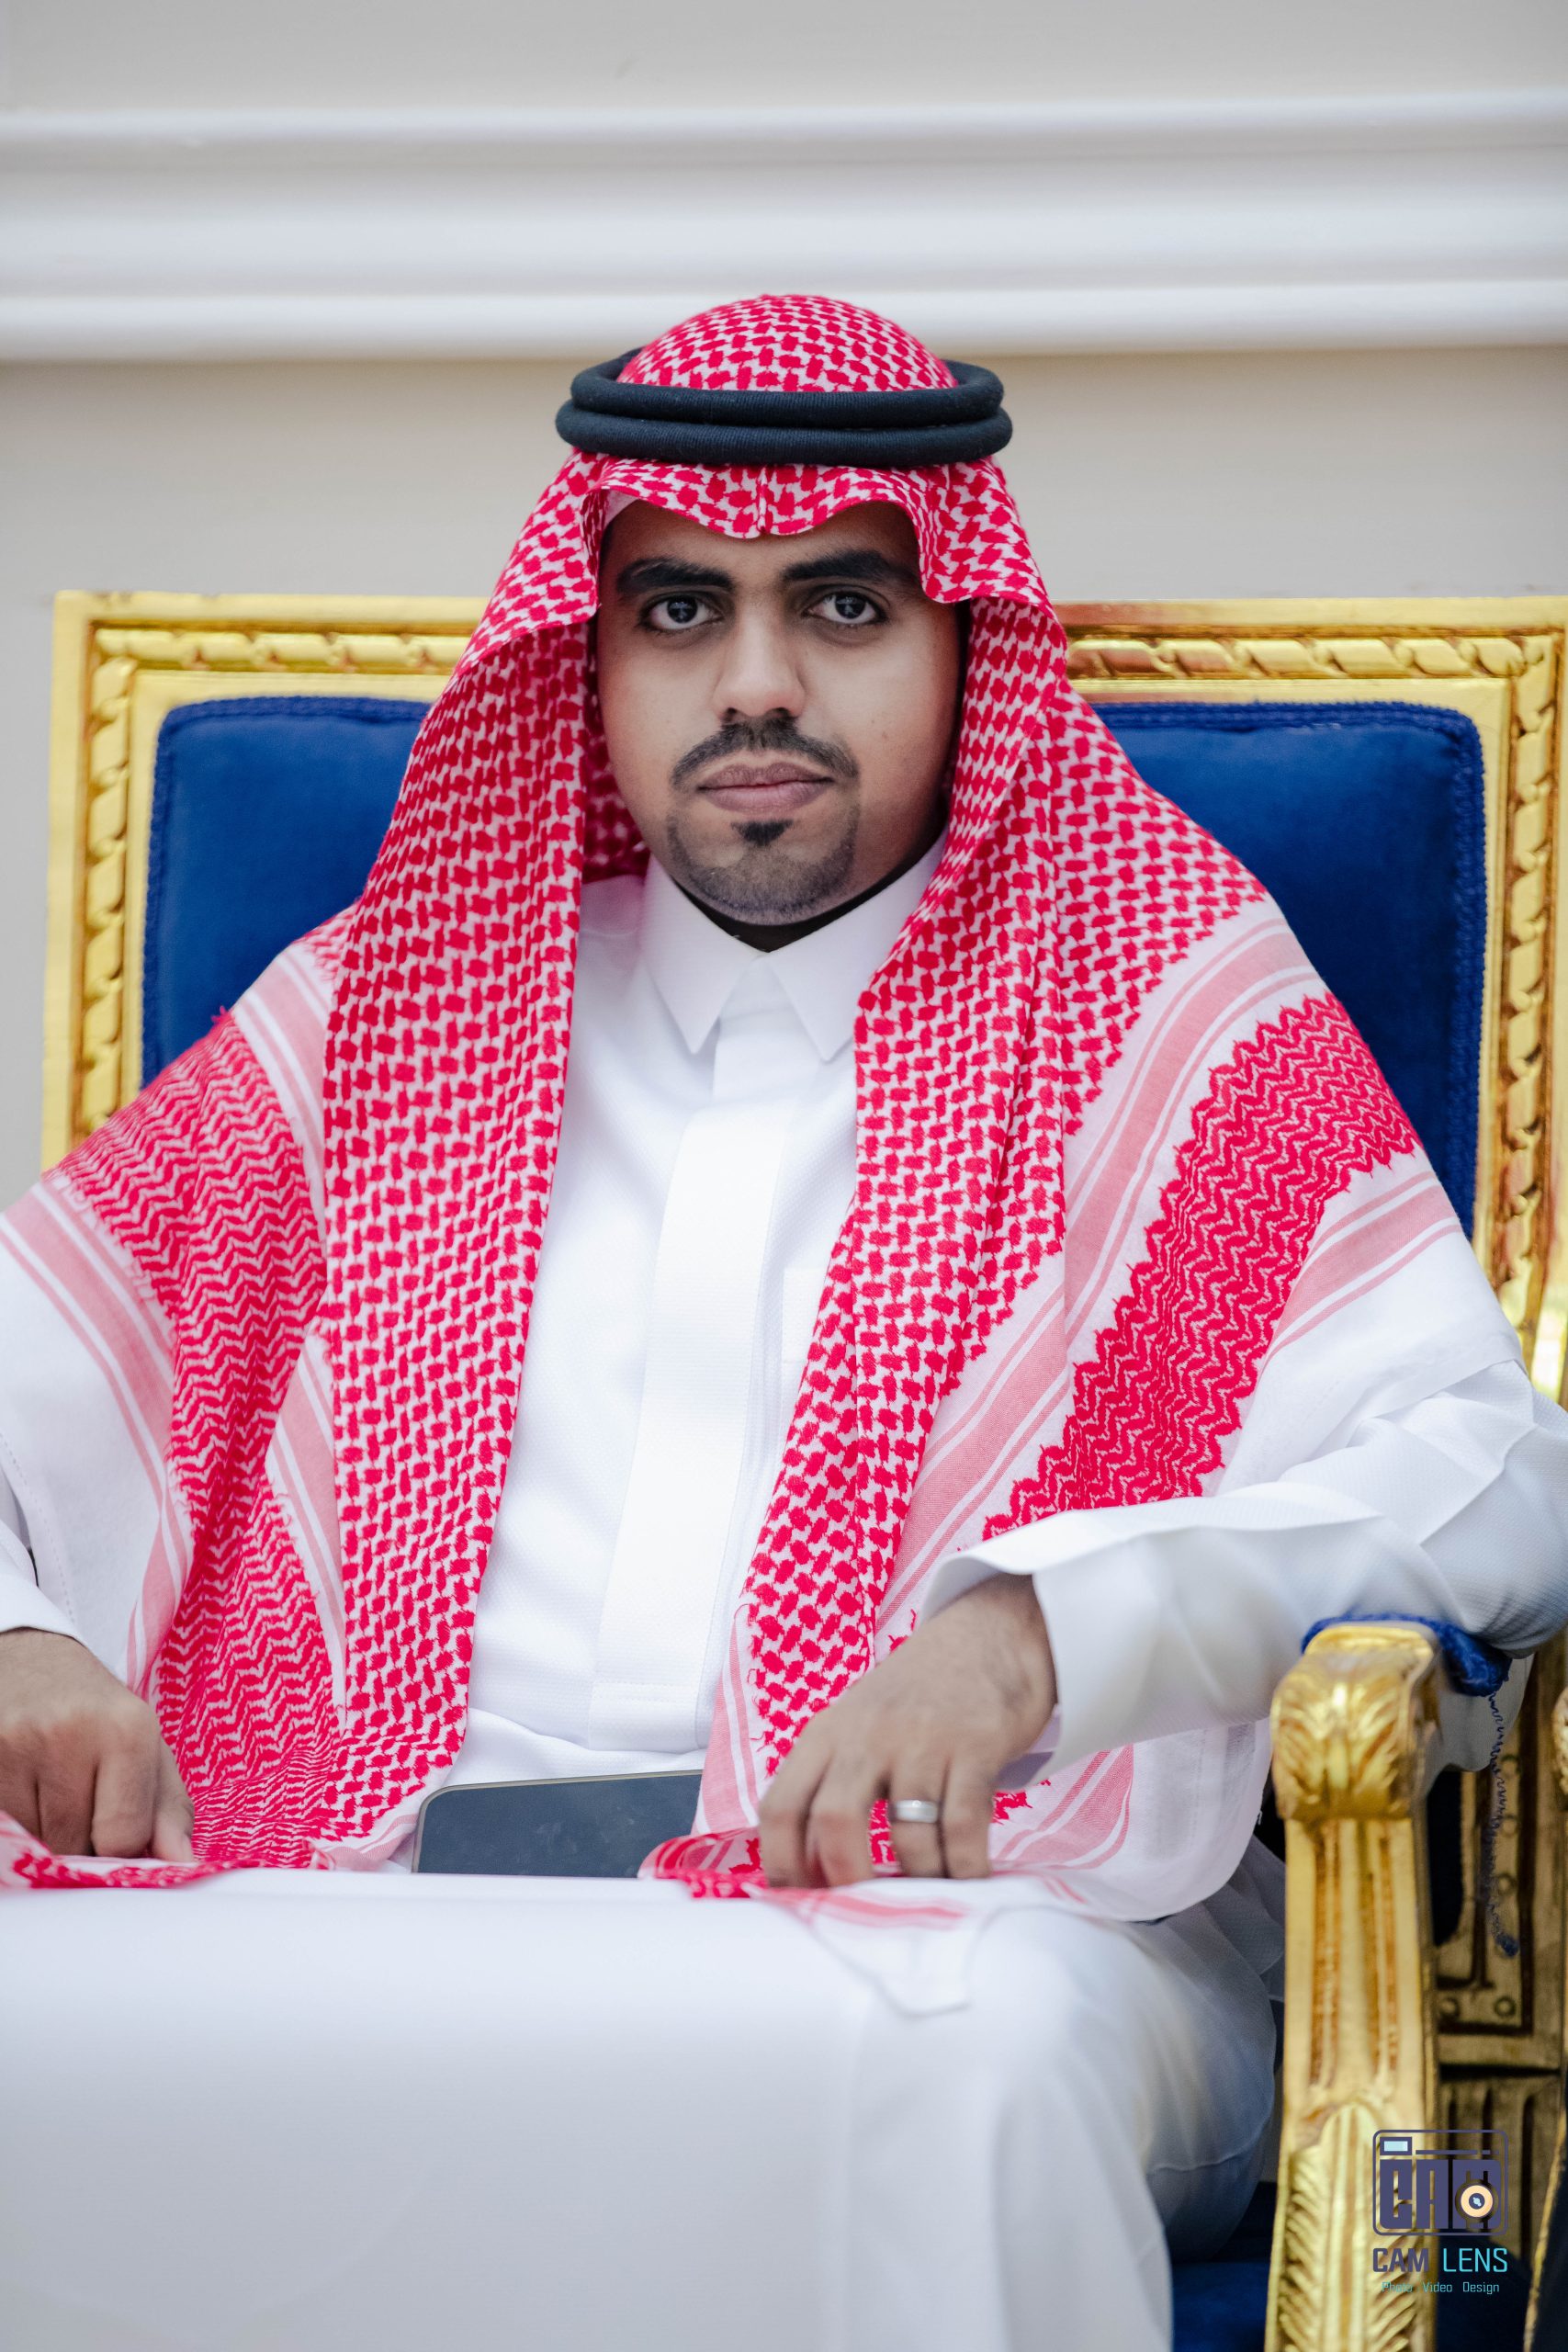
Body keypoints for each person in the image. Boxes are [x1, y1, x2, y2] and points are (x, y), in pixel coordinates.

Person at [0, 295, 1564, 2352]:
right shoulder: (386, 1006)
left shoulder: (1164, 1005)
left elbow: (1497, 1478)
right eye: (675, 611)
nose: (754, 684)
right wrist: (25, 1641)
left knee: (965, 2065)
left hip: (966, 1905)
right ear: (587, 654)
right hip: (367, 1884)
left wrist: (1035, 1633)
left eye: (840, 604)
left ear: (961, 644)